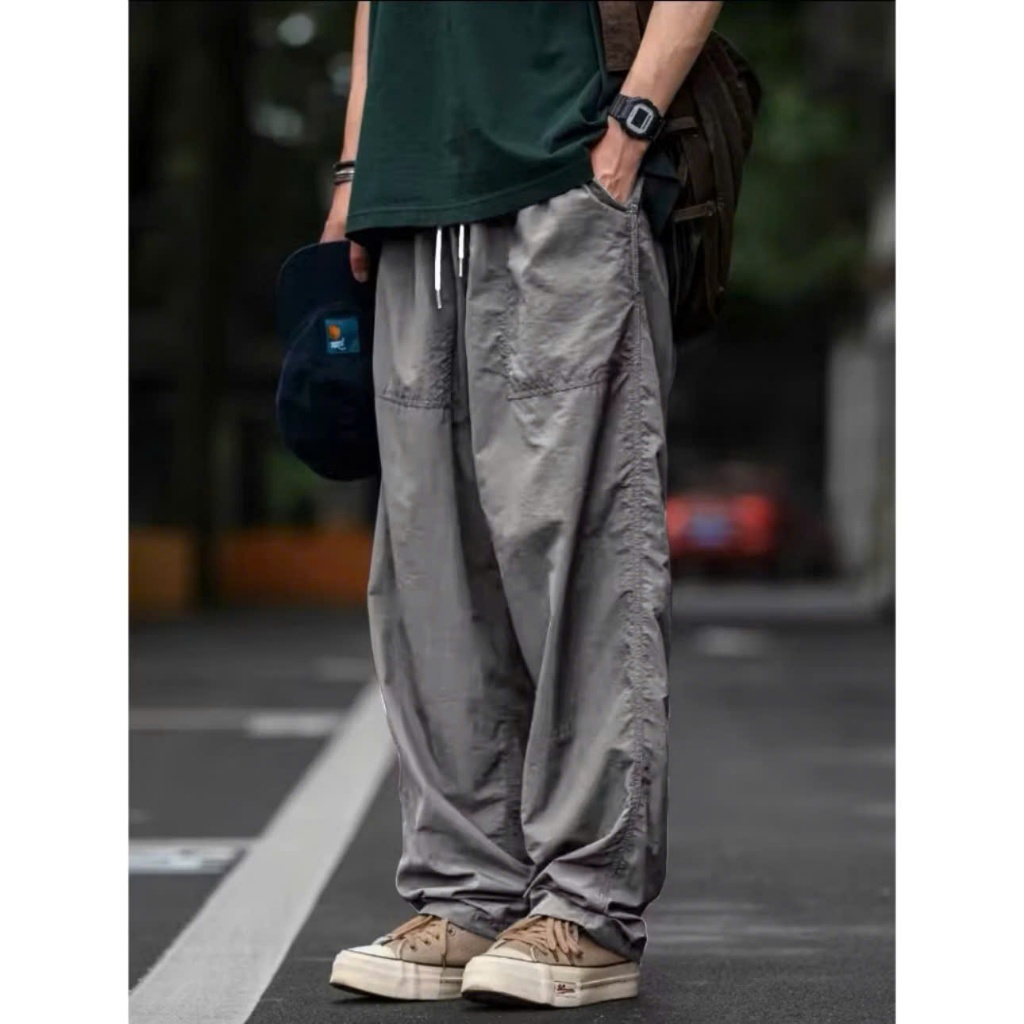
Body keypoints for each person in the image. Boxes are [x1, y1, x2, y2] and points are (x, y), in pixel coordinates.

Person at [324, 0, 722, 1008]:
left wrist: (632, 126)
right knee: (428, 574)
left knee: (579, 555)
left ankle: (587, 907)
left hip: (563, 167)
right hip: (411, 198)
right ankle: (468, 893)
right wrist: (355, 171)